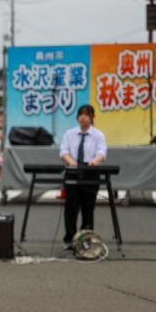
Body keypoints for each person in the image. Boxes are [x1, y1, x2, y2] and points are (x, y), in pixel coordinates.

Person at [59, 103, 107, 246]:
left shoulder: (98, 135)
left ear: (92, 117)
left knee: (88, 208)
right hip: (73, 171)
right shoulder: (69, 133)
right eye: (81, 114)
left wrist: (93, 163)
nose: (83, 118)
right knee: (71, 208)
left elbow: (102, 153)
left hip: (90, 172)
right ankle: (70, 238)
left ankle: (85, 239)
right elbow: (63, 152)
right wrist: (72, 163)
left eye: (87, 115)